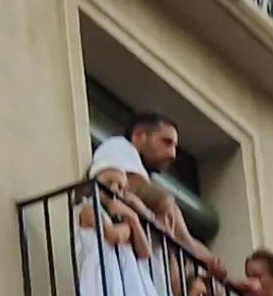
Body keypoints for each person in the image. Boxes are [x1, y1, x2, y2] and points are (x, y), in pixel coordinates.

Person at [85, 114, 206, 266]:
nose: (173, 154)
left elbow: (184, 234)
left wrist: (213, 263)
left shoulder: (145, 176)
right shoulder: (119, 146)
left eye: (175, 146)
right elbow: (149, 194)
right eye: (166, 142)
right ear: (140, 136)